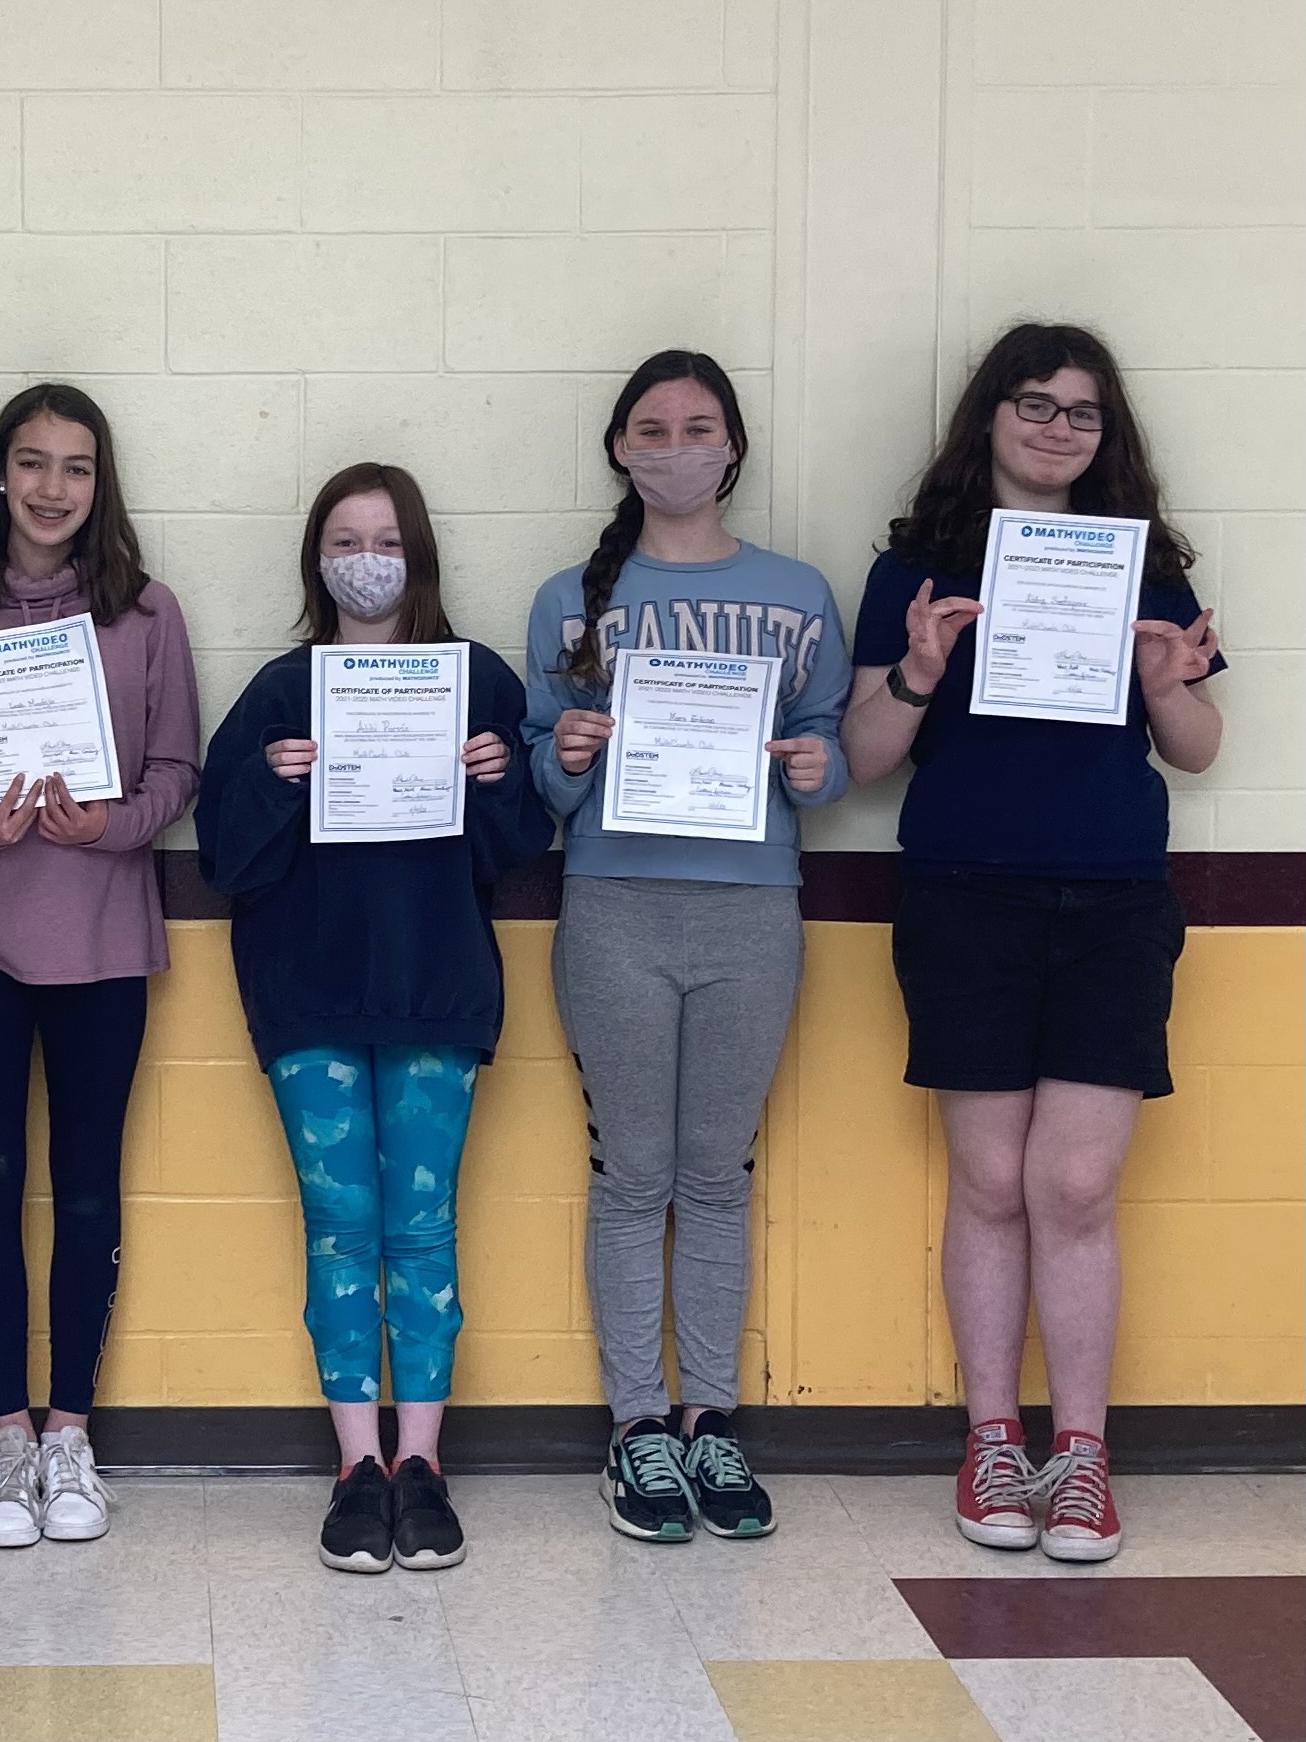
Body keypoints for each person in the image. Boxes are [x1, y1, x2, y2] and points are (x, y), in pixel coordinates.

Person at [840, 323, 1223, 1563]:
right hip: (964, 895)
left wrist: (1166, 683)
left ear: (1107, 436)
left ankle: (1085, 1454)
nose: (1059, 428)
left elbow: (1201, 743)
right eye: (1036, 404)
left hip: (1113, 897)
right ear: (989, 417)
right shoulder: (915, 569)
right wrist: (915, 668)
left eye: (1082, 413)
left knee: (1074, 1184)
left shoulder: (1148, 572)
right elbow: (862, 758)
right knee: (994, 1182)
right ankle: (994, 1438)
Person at [196, 463, 551, 1573]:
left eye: (386, 537)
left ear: (419, 553)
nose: (366, 557)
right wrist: (273, 774)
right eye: (345, 538)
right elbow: (224, 854)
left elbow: (518, 845)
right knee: (341, 1224)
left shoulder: (478, 683)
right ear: (318, 558)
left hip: (436, 990)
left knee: (424, 1228)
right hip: (308, 995)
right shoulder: (278, 694)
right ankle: (356, 1466)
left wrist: (495, 777)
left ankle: (422, 1462)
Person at [521, 351, 849, 1544]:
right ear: (619, 448)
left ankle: (710, 1417)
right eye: (651, 428)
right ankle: (636, 1427)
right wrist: (563, 755)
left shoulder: (799, 590)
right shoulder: (570, 598)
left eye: (699, 426)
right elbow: (539, 787)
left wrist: (825, 766)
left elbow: (827, 745)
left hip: (752, 909)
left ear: (734, 447)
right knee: (634, 1172)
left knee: (717, 1174)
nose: (675, 445)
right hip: (612, 906)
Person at [0, 383, 200, 1548]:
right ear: (0, 477)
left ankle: (72, 1434)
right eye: (32, 463)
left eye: (76, 467)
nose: (53, 487)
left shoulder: (147, 613)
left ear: (99, 483)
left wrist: (105, 826)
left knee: (84, 1186)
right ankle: (6, 1437)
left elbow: (179, 769)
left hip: (104, 933)